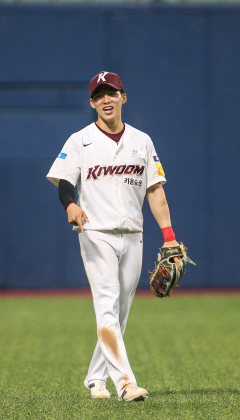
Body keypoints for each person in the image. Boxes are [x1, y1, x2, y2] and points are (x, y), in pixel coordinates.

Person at [47, 71, 182, 402]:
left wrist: (169, 237)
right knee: (107, 306)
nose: (106, 99)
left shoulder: (142, 141)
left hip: (132, 234)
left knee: (120, 311)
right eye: (100, 95)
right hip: (95, 232)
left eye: (112, 92)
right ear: (92, 103)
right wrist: (71, 205)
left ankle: (95, 378)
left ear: (124, 97)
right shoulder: (80, 139)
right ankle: (125, 384)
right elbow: (65, 179)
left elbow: (155, 191)